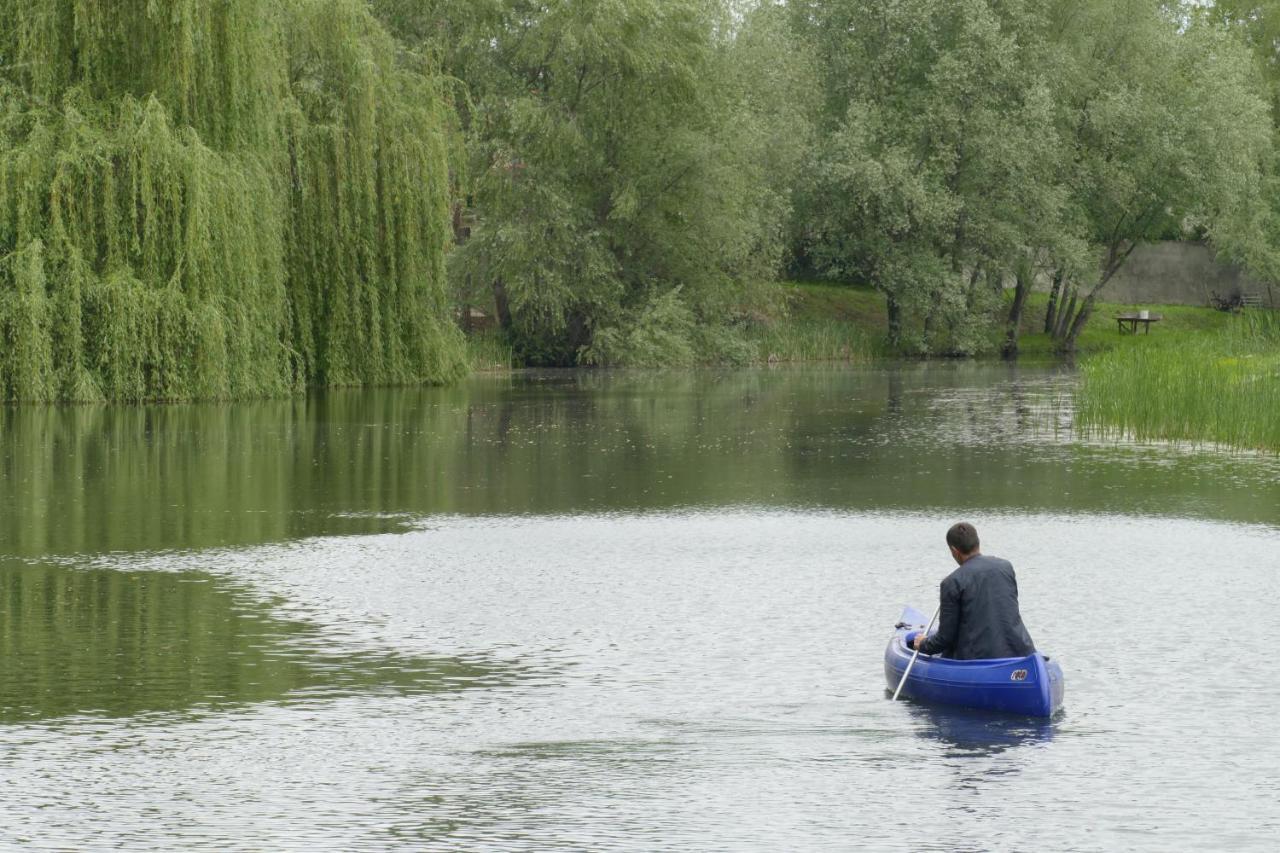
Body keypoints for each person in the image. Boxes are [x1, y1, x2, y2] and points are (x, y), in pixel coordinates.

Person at [909, 522, 1036, 660]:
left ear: (954, 551)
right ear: (978, 543)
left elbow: (945, 639)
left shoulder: (951, 582)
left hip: (979, 661)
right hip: (1021, 653)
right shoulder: (1005, 567)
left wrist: (923, 644)